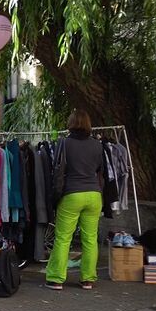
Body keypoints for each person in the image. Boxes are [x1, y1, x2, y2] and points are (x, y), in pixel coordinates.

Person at [45, 110, 104, 291]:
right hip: (94, 195)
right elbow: (101, 169)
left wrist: (54, 197)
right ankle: (88, 279)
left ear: (71, 123)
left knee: (63, 238)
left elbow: (58, 171)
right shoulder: (97, 145)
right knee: (90, 238)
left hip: (72, 194)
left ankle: (56, 278)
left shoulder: (64, 143)